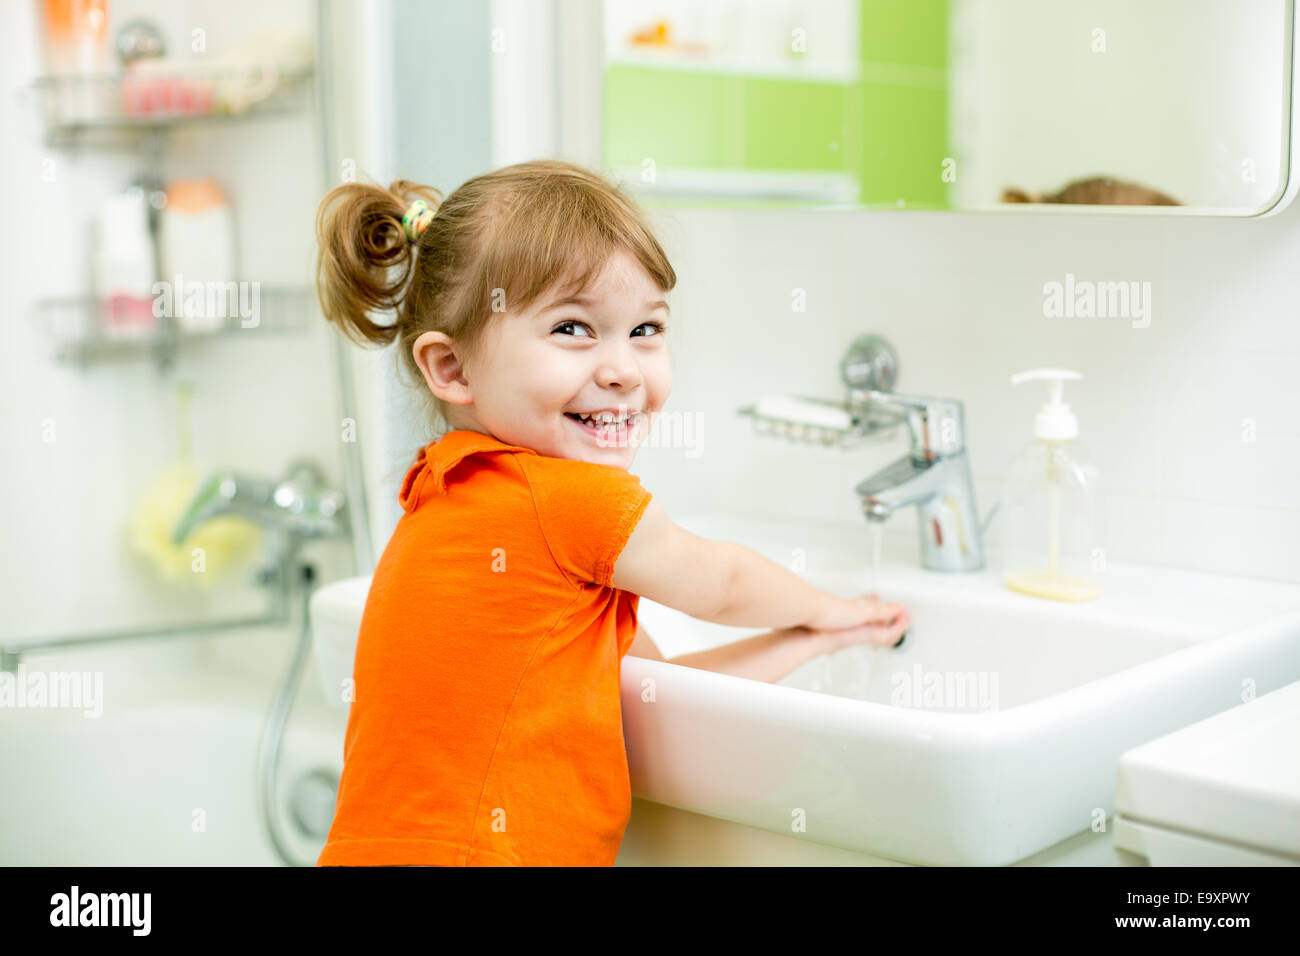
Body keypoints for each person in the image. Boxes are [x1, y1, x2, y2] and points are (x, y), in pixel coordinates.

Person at [312, 159, 909, 867]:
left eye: (646, 329)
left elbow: (656, 694)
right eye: (572, 328)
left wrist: (807, 641)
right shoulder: (566, 502)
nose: (623, 368)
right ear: (453, 370)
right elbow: (720, 583)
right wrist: (831, 606)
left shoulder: (451, 497)